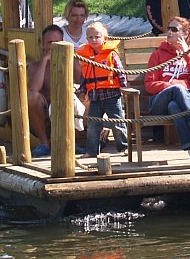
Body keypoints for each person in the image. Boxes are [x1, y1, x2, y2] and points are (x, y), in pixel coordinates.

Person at [145, 16, 190, 165]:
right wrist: (171, 87)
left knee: (174, 107)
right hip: (159, 102)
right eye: (168, 28)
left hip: (186, 100)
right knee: (177, 89)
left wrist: (187, 56)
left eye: (174, 29)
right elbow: (149, 85)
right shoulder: (158, 54)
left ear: (186, 33)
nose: (169, 32)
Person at [27, 25, 83, 157]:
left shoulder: (72, 62)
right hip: (45, 115)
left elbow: (83, 83)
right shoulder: (35, 66)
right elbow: (34, 88)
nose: (53, 46)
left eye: (57, 43)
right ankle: (44, 144)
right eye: (50, 43)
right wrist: (45, 60)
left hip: (68, 108)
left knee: (87, 97)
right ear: (43, 45)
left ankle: (73, 142)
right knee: (31, 97)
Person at [76, 22, 128, 157]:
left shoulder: (111, 54)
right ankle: (92, 151)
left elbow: (120, 72)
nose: (93, 40)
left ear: (105, 38)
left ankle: (123, 148)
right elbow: (84, 76)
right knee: (93, 125)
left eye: (97, 37)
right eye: (90, 37)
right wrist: (82, 91)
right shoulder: (86, 56)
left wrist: (124, 88)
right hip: (95, 97)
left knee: (117, 122)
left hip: (112, 95)